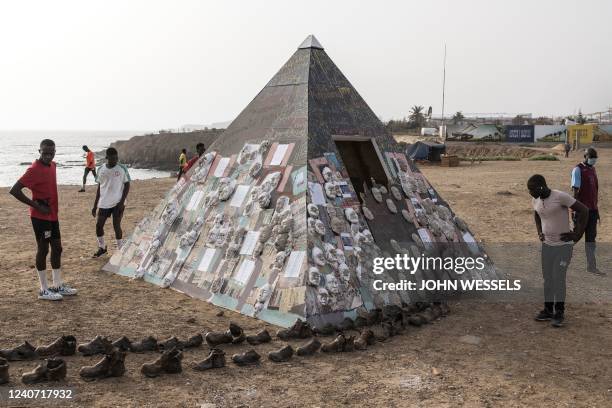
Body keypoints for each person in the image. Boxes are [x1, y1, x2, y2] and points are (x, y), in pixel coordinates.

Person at [9, 139, 77, 301]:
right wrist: (37, 206)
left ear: (55, 152)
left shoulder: (53, 165)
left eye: (51, 153)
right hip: (40, 217)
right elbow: (14, 190)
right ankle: (43, 290)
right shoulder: (33, 169)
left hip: (53, 215)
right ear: (39, 151)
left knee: (58, 248)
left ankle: (57, 285)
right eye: (45, 153)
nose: (48, 156)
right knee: (43, 249)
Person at [528, 174, 588, 327]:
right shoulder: (535, 200)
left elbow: (584, 210)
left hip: (563, 247)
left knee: (558, 278)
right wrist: (539, 231)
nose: (530, 193)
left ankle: (559, 312)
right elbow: (536, 213)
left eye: (532, 189)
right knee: (548, 279)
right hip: (547, 246)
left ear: (541, 186)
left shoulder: (560, 196)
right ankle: (548, 310)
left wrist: (577, 234)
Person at [91, 147, 131, 257]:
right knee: (99, 226)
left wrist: (122, 202)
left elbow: (127, 184)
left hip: (117, 202)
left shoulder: (122, 168)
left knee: (116, 225)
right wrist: (95, 205)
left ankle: (120, 249)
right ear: (107, 157)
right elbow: (100, 187)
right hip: (104, 202)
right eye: (112, 158)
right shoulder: (101, 169)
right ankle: (102, 247)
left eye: (116, 158)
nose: (115, 160)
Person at [571, 147, 603, 275]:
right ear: (585, 157)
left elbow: (594, 192)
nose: (594, 160)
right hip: (582, 211)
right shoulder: (578, 169)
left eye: (595, 158)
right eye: (591, 157)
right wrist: (574, 210)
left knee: (591, 239)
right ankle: (559, 257)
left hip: (593, 210)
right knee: (575, 236)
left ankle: (592, 266)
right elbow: (575, 191)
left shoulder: (592, 169)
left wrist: (597, 210)